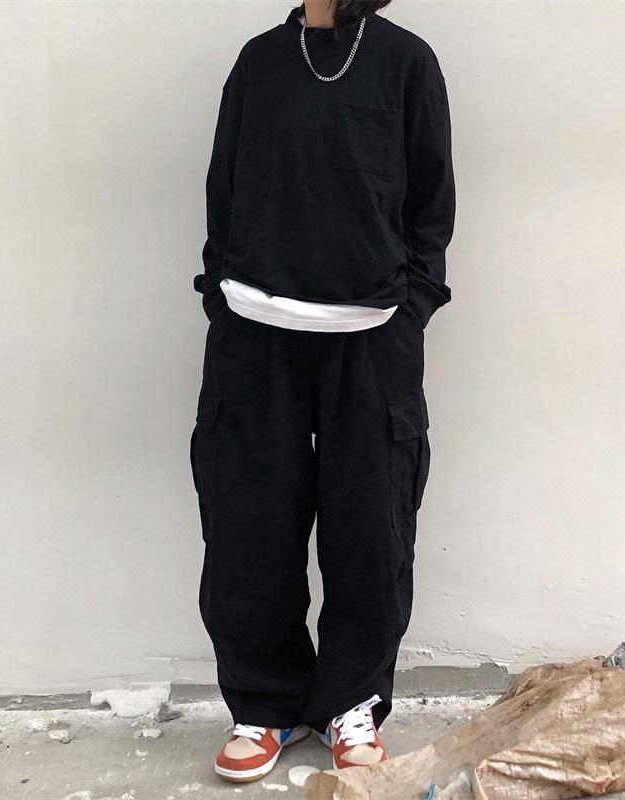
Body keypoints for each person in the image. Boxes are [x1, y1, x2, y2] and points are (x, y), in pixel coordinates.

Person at [190, 0, 455, 783]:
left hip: (371, 335)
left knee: (371, 526)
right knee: (249, 524)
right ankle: (264, 703)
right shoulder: (258, 63)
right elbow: (223, 187)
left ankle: (352, 702)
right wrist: (222, 294)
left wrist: (411, 308)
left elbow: (431, 203)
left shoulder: (407, 63)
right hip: (255, 329)